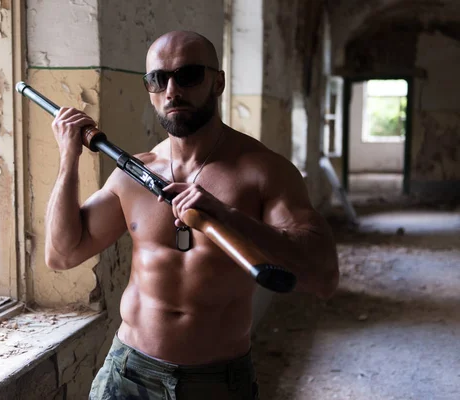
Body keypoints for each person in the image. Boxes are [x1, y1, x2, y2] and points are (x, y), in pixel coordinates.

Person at [45, 30, 339, 400]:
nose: (171, 90)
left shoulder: (263, 171)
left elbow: (324, 275)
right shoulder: (133, 174)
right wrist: (68, 158)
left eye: (188, 75)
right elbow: (62, 254)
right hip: (129, 374)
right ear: (149, 89)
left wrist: (226, 214)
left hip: (216, 381)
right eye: (158, 78)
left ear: (218, 82)